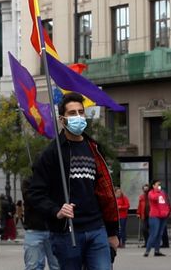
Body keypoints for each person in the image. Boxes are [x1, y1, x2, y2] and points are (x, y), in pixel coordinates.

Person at [26, 93, 120, 270]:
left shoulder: (94, 148)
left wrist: (113, 232)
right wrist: (56, 210)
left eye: (81, 112)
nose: (78, 117)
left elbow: (105, 193)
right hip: (67, 233)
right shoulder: (52, 153)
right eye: (72, 113)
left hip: (97, 229)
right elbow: (35, 193)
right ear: (62, 119)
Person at [20, 179, 57, 270]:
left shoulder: (54, 179)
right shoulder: (28, 181)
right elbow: (31, 199)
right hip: (34, 229)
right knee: (33, 266)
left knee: (57, 266)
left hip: (53, 229)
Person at [144, 181, 169, 257]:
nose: (159, 186)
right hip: (154, 216)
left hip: (163, 215)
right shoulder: (151, 193)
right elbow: (153, 198)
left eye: (160, 184)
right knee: (154, 234)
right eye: (158, 184)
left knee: (159, 234)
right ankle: (147, 251)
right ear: (153, 185)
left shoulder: (162, 193)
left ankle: (157, 251)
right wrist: (157, 192)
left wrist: (167, 211)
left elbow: (165, 203)